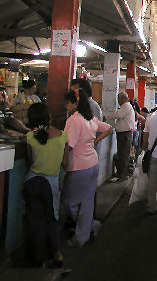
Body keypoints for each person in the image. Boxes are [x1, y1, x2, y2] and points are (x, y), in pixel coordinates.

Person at [62, 89, 112, 247]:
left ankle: (83, 233)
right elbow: (109, 128)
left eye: (68, 102)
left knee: (69, 202)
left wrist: (62, 162)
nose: (65, 106)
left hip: (79, 166)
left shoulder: (74, 120)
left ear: (75, 103)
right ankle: (88, 229)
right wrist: (96, 141)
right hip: (92, 165)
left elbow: (68, 146)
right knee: (86, 202)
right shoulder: (90, 118)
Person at [24, 103, 68, 267]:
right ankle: (57, 255)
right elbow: (65, 163)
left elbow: (29, 162)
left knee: (35, 221)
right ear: (49, 117)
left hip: (32, 182)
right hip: (51, 184)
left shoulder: (30, 137)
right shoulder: (63, 136)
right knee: (51, 220)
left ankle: (37, 258)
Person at [104, 92, 135, 180]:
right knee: (122, 154)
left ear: (122, 99)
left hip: (125, 134)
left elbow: (119, 115)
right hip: (124, 134)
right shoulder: (126, 106)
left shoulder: (126, 106)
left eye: (118, 99)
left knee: (123, 155)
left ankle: (122, 175)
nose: (118, 101)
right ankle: (122, 174)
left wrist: (107, 117)